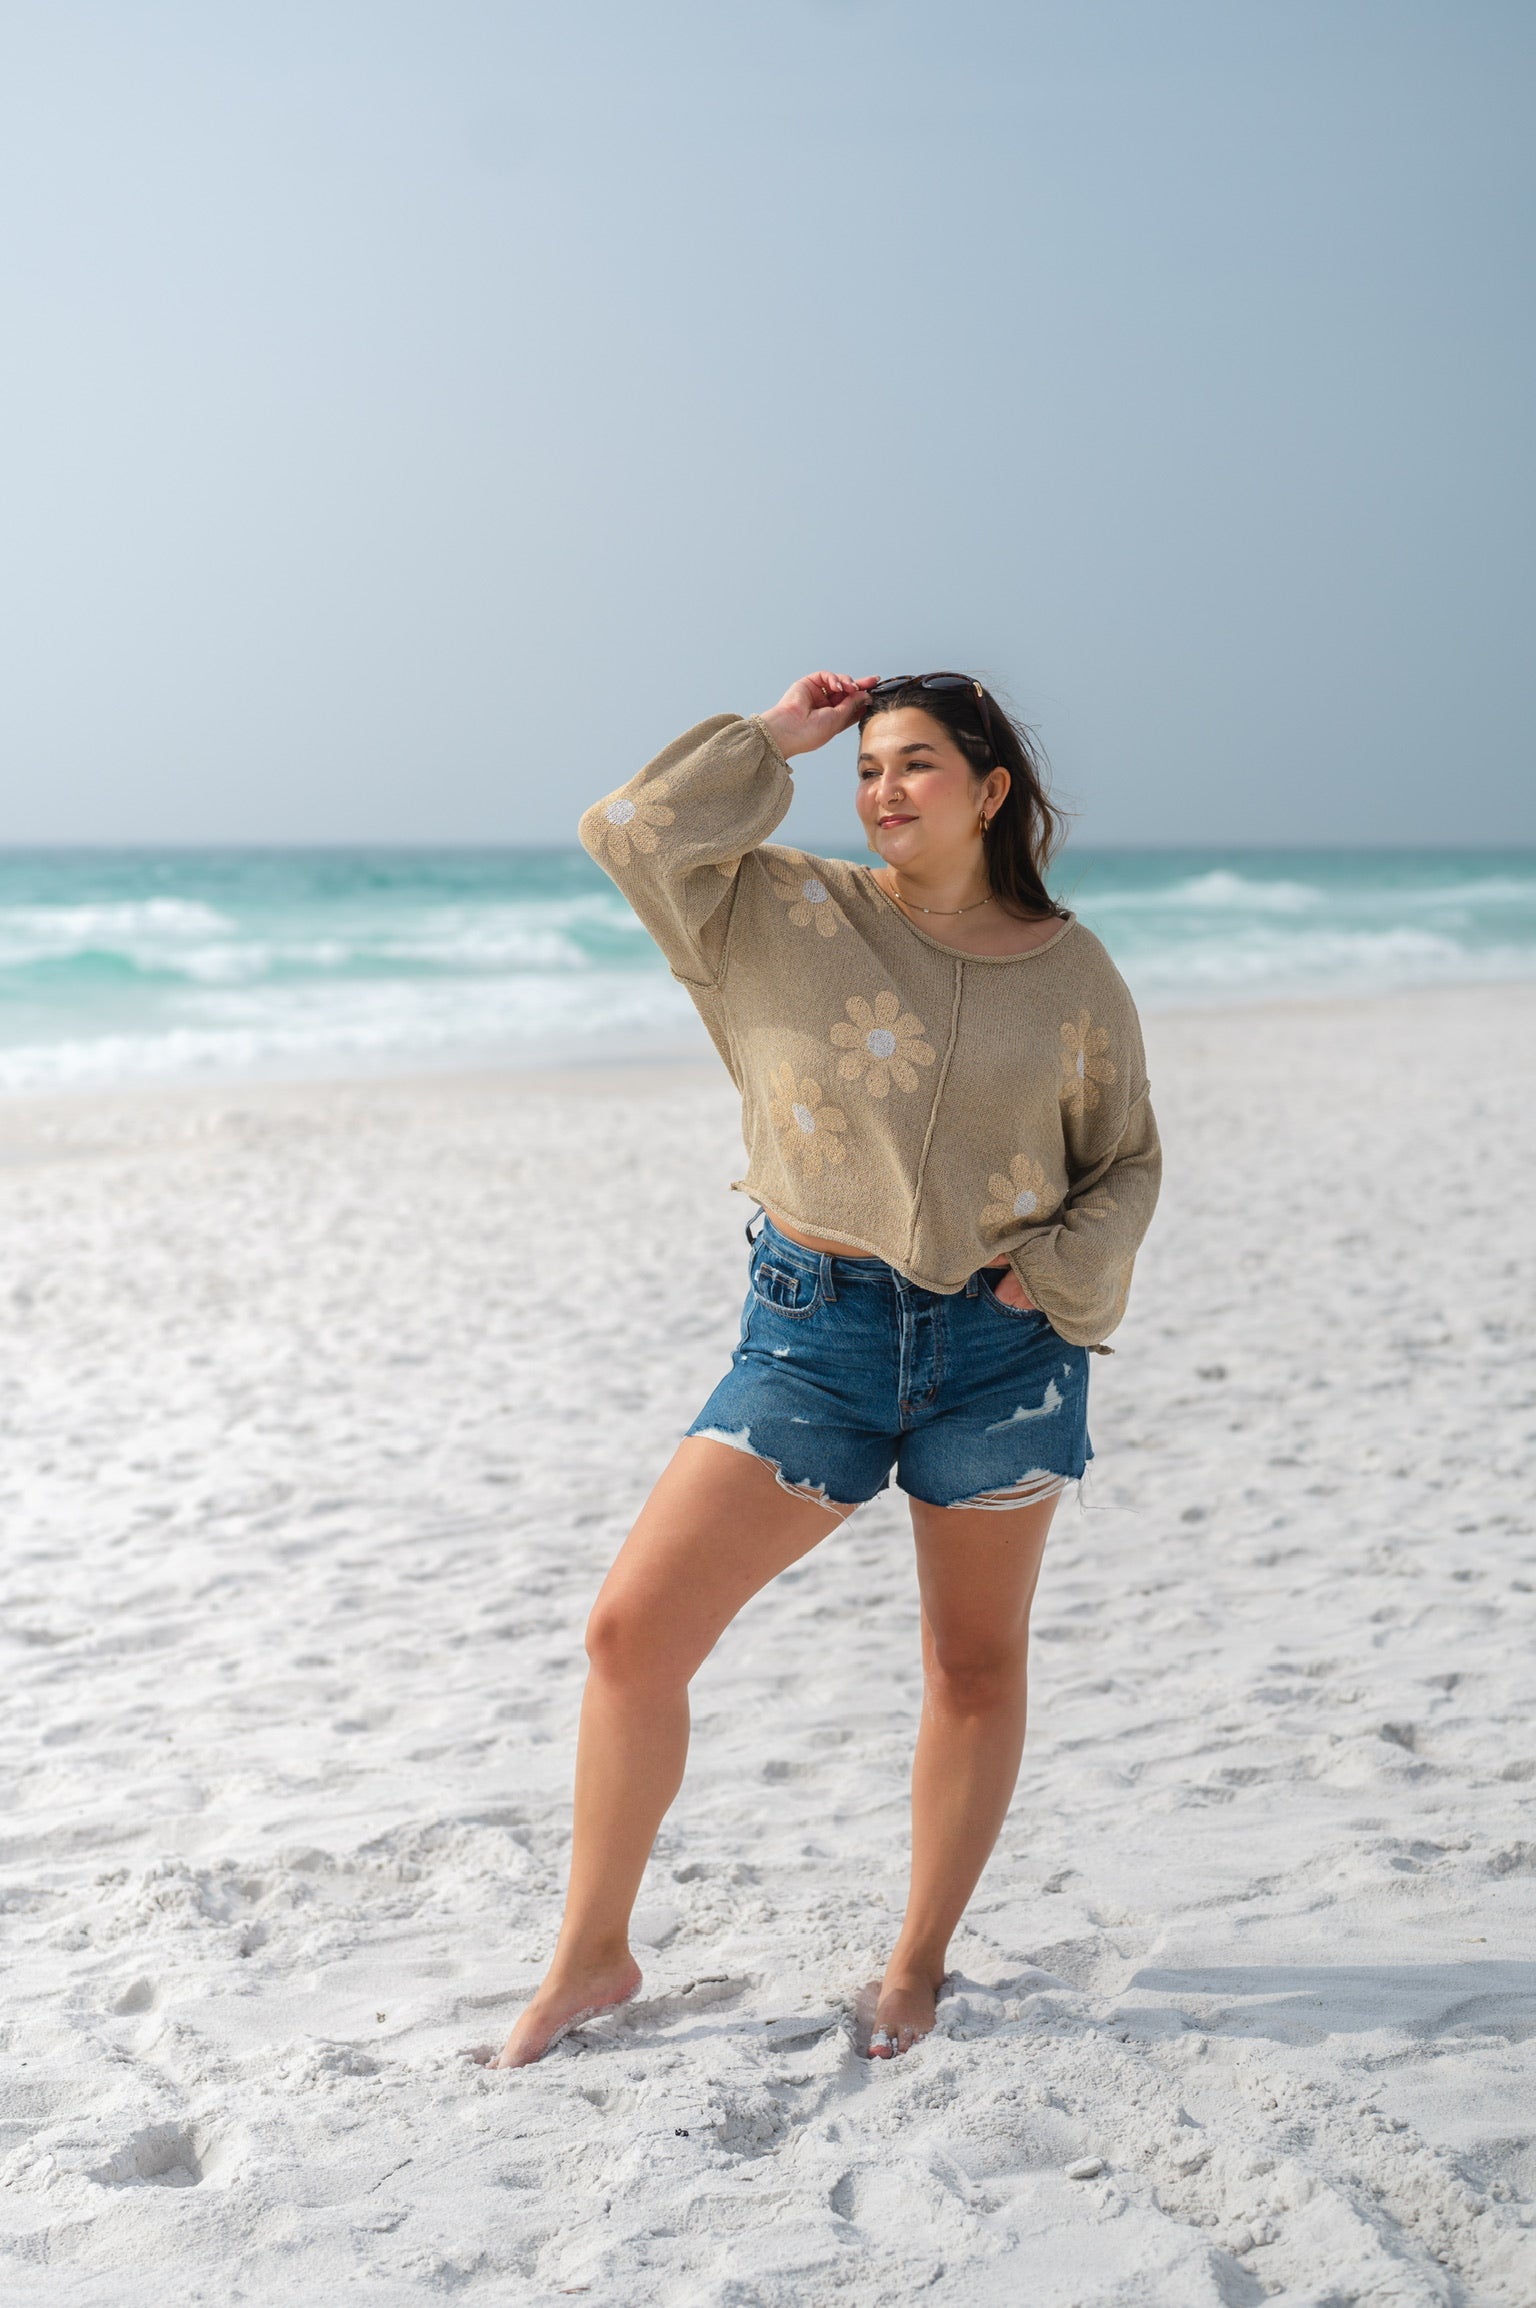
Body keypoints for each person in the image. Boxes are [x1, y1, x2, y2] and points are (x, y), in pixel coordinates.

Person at [488, 670, 1161, 2068]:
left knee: (971, 1663)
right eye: (866, 769)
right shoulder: (783, 911)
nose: (882, 791)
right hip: (814, 1336)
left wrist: (1050, 1276)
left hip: (1003, 1355)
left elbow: (1126, 1163)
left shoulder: (1074, 974)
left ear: (991, 791)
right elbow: (629, 831)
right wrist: (774, 740)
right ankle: (594, 1953)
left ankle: (916, 1965)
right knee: (631, 1635)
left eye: (915, 764)